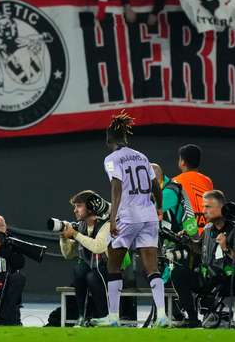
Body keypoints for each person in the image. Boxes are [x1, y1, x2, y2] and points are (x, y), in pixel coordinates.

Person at [98, 112, 168, 328]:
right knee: (151, 267)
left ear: (109, 140)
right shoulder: (142, 156)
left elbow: (116, 187)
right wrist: (158, 207)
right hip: (148, 216)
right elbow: (156, 185)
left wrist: (112, 218)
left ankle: (113, 316)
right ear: (125, 138)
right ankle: (163, 316)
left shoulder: (111, 159)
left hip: (128, 216)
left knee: (113, 264)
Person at [170, 190, 235, 329]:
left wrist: (226, 247)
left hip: (227, 281)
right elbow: (200, 249)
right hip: (207, 279)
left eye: (207, 207)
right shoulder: (208, 228)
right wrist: (187, 241)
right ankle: (192, 319)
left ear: (221, 207)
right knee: (178, 273)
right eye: (203, 207)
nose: (203, 211)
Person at [58, 190, 110, 324]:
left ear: (91, 207)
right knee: (79, 270)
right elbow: (68, 255)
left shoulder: (106, 224)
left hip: (112, 271)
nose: (75, 210)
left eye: (79, 206)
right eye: (75, 207)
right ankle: (82, 316)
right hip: (93, 269)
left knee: (92, 276)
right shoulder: (81, 226)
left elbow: (98, 247)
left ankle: (104, 316)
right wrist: (63, 239)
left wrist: (75, 235)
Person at [173, 144, 214, 233]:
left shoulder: (175, 182)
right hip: (209, 227)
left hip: (190, 229)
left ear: (182, 162)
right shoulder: (207, 181)